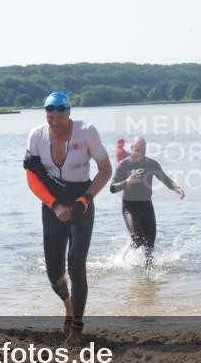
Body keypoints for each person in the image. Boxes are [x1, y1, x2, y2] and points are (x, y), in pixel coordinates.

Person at [23, 92, 112, 343]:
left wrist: (86, 199)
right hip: (51, 203)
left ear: (68, 113)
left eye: (59, 117)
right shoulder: (36, 135)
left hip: (81, 200)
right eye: (50, 117)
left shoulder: (86, 131)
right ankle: (68, 306)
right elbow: (31, 177)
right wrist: (54, 205)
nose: (54, 122)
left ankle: (77, 328)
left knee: (75, 264)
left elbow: (105, 170)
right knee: (54, 275)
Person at [109, 136, 184, 265]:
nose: (140, 153)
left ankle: (149, 275)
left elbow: (165, 179)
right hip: (129, 207)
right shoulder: (124, 165)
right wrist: (127, 182)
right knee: (137, 239)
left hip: (146, 206)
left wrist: (176, 188)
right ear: (131, 149)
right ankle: (124, 258)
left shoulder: (151, 164)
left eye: (143, 150)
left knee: (149, 246)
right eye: (137, 149)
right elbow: (112, 188)